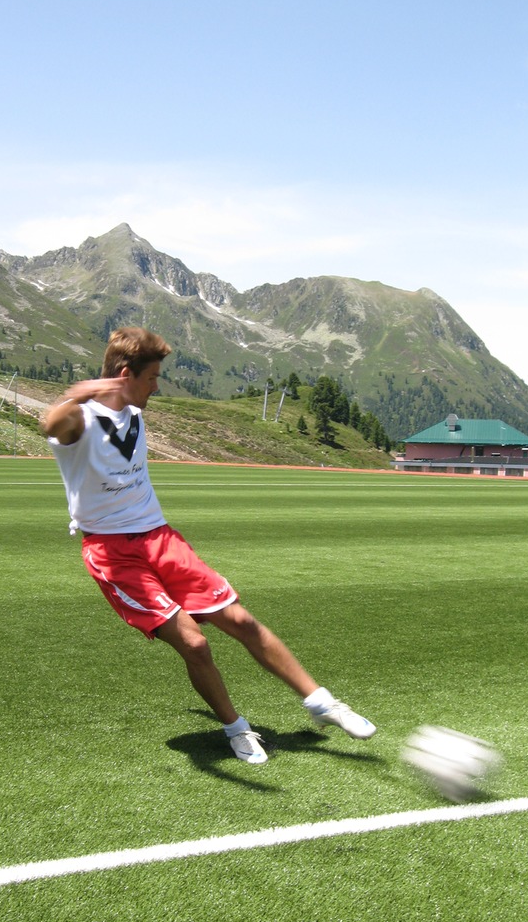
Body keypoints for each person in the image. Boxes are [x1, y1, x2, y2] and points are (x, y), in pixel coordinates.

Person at [43, 326, 376, 764]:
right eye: (152, 377)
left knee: (241, 621)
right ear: (126, 374)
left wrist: (114, 388)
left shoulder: (135, 416)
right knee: (195, 644)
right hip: (112, 553)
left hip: (160, 537)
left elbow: (124, 407)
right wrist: (83, 391)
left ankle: (322, 703)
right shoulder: (81, 420)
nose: (157, 386)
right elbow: (51, 423)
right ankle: (236, 729)